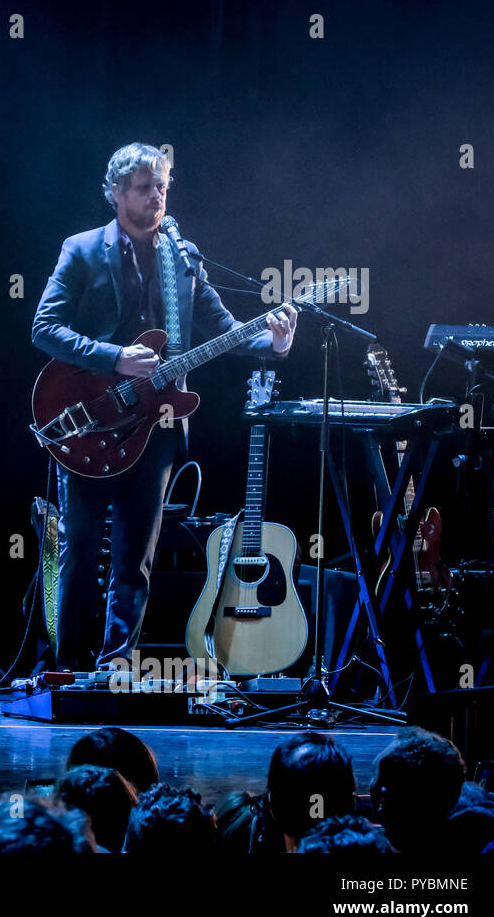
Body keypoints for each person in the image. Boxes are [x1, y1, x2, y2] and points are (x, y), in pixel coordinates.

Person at [31, 143, 296, 670]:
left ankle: (114, 666)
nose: (156, 196)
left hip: (155, 427)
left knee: (136, 558)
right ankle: (67, 667)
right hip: (91, 415)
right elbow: (44, 328)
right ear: (115, 194)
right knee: (81, 551)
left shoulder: (183, 257)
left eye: (162, 186)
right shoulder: (81, 250)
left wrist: (275, 343)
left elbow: (222, 330)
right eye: (143, 187)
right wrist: (113, 358)